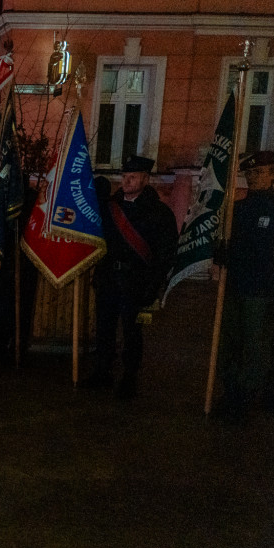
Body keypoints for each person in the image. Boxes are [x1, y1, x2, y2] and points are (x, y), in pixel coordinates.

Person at [86, 156, 178, 399]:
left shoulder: (158, 213)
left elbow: (165, 253)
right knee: (104, 328)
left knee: (131, 331)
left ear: (145, 179)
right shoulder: (110, 207)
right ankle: (102, 370)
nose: (126, 180)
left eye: (133, 176)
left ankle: (129, 377)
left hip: (135, 280)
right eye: (125, 176)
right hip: (108, 277)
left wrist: (153, 284)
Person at [211, 151, 274, 424]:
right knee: (229, 342)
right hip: (236, 287)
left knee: (256, 346)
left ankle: (243, 395)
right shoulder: (236, 210)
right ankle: (230, 390)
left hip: (263, 291)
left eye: (260, 172)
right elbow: (227, 243)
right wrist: (222, 252)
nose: (253, 178)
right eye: (249, 173)